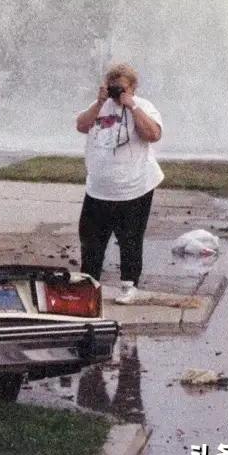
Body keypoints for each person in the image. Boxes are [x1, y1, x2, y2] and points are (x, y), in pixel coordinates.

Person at [75, 63, 163, 304]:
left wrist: (131, 105)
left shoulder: (144, 106)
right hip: (98, 188)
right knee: (91, 238)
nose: (116, 93)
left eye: (121, 88)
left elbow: (153, 134)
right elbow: (81, 125)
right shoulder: (99, 107)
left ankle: (129, 283)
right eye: (112, 87)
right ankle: (89, 283)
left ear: (133, 87)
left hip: (134, 187)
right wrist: (99, 102)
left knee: (131, 238)